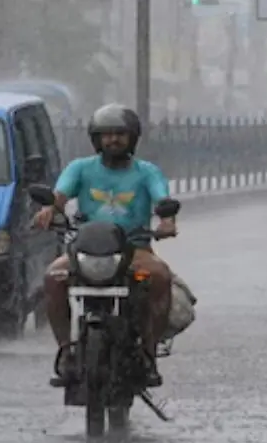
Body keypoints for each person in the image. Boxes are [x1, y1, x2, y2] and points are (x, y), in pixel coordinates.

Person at [33, 104, 176, 388]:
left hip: (135, 250)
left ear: (132, 138)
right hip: (85, 251)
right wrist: (50, 210)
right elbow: (59, 196)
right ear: (96, 139)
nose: (113, 140)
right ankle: (65, 350)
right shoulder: (80, 168)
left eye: (120, 134)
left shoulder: (147, 172)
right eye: (106, 134)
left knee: (160, 277)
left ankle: (148, 354)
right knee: (53, 277)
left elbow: (162, 200)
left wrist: (167, 221)